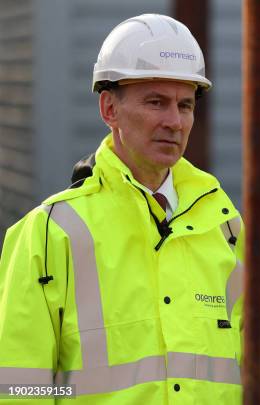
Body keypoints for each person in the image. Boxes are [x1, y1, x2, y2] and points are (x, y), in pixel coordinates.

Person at [0, 14, 245, 404]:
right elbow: (17, 387)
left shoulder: (226, 229)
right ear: (109, 109)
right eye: (156, 103)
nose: (174, 121)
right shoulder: (48, 234)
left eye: (185, 105)